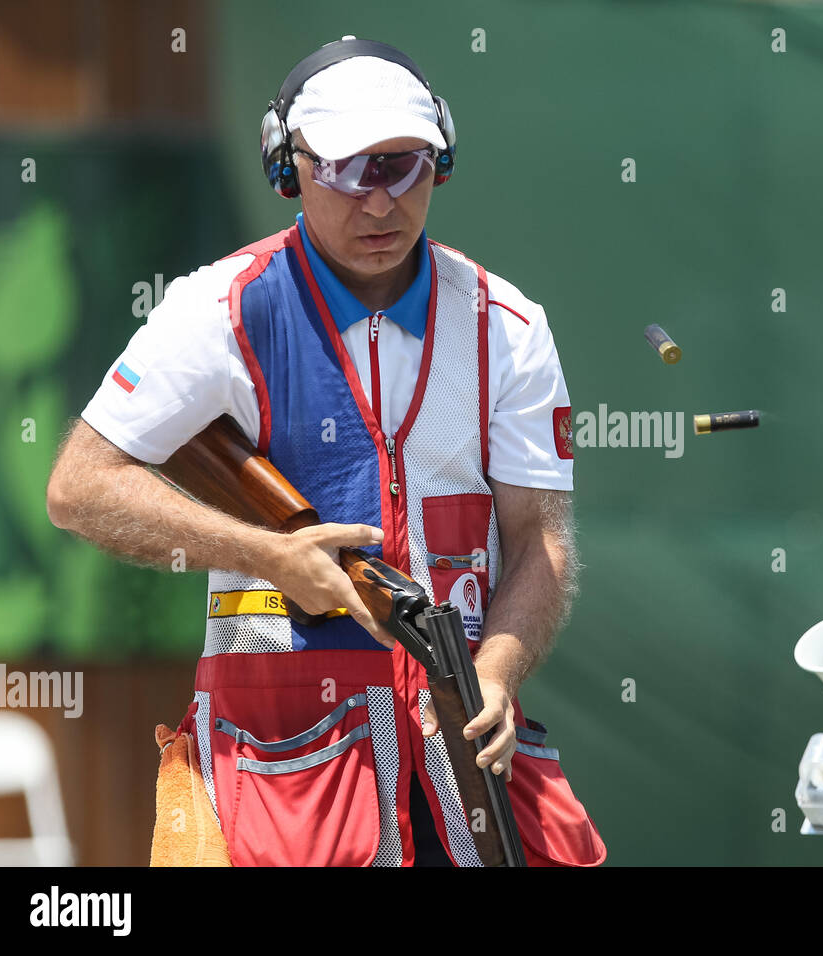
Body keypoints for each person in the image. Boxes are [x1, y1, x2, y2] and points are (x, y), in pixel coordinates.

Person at [45, 36, 605, 867]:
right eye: (349, 170)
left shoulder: (507, 327)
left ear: (441, 158)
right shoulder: (220, 308)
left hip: (467, 763)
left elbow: (541, 541)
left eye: (404, 166)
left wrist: (500, 668)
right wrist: (267, 554)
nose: (380, 204)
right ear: (289, 165)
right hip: (284, 778)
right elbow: (78, 487)